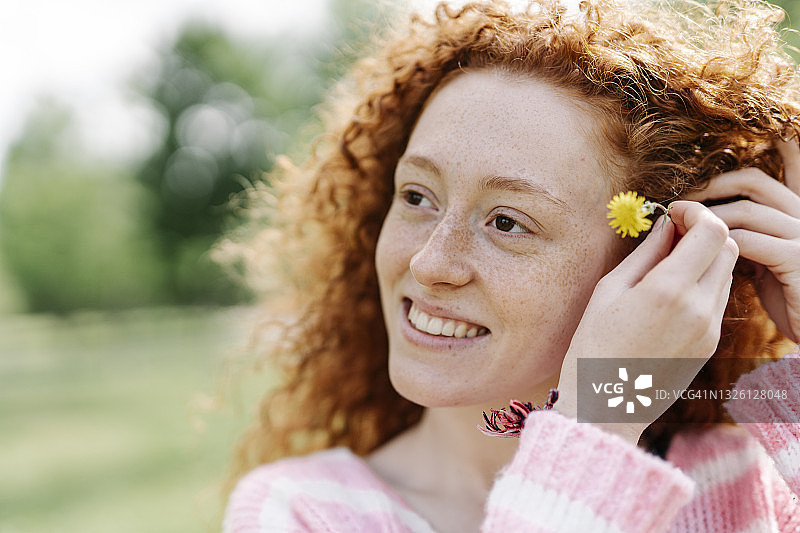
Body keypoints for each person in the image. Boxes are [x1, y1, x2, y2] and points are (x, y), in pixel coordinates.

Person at [220, 0, 800, 531]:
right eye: (417, 196)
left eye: (507, 222)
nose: (429, 264)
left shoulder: (746, 482)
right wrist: (597, 424)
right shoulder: (299, 511)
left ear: (655, 264)